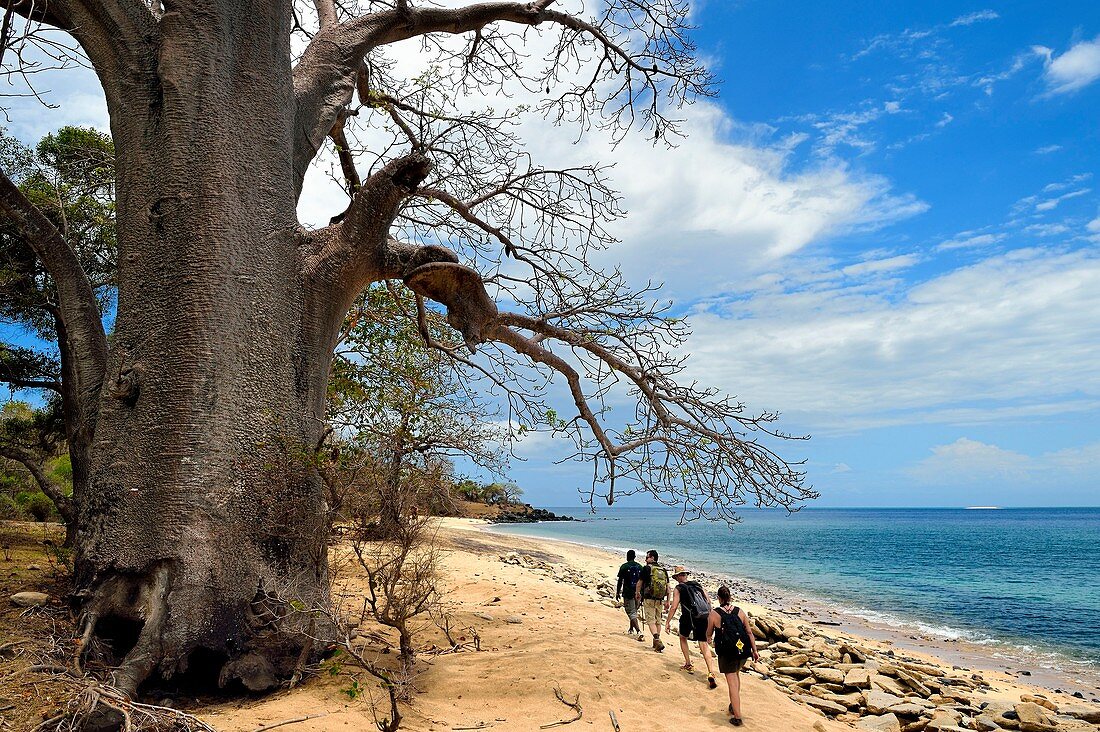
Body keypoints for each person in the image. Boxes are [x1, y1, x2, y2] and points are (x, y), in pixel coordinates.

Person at [707, 585, 759, 726]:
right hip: (742, 652)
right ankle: (733, 704)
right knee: (736, 676)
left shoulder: (714, 613)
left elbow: (709, 634)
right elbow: (749, 632)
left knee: (732, 683)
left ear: (719, 598)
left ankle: (737, 717)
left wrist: (709, 640)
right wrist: (755, 650)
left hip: (727, 653)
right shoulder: (740, 612)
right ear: (730, 597)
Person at [665, 566, 719, 689]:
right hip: (704, 616)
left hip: (688, 618)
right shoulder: (697, 585)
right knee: (704, 644)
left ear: (678, 577)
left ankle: (688, 664)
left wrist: (668, 621)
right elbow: (708, 601)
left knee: (683, 637)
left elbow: (674, 607)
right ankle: (710, 671)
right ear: (686, 575)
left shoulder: (678, 588)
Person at [634, 549, 669, 652]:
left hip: (649, 598)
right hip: (660, 599)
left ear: (652, 558)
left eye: (647, 557)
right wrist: (667, 600)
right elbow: (668, 587)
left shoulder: (647, 568)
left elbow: (640, 582)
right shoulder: (663, 570)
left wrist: (637, 593)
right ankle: (656, 642)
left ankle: (657, 640)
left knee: (650, 621)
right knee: (658, 621)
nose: (645, 559)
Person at [615, 550, 645, 639]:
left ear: (627, 557)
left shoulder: (624, 567)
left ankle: (639, 631)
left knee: (631, 612)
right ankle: (631, 629)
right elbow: (643, 581)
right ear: (635, 557)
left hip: (628, 592)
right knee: (634, 611)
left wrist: (617, 592)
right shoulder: (640, 567)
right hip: (638, 593)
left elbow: (620, 581)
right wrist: (642, 594)